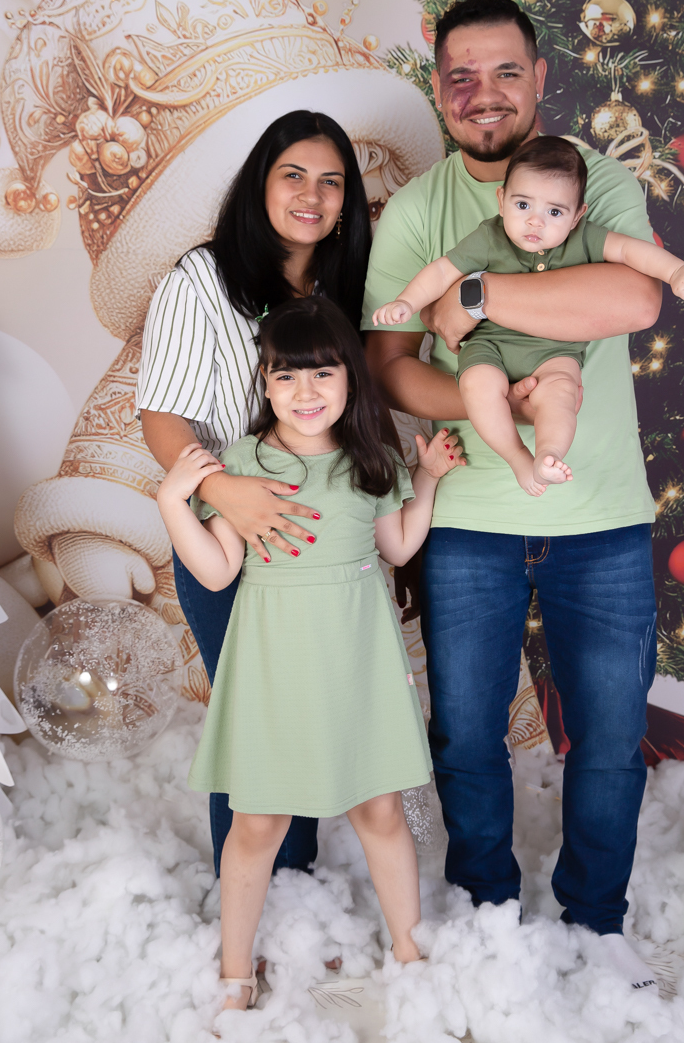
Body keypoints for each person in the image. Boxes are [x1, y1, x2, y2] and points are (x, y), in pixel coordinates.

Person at [363, 0, 662, 990]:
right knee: (464, 731)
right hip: (468, 518)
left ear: (538, 78)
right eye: (460, 76)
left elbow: (629, 297)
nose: (481, 94)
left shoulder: (595, 180)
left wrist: (479, 295)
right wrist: (487, 397)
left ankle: (596, 919)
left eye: (503, 72)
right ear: (437, 88)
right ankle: (485, 905)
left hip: (601, 514)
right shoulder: (419, 209)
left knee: (608, 735)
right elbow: (390, 361)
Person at [156, 297, 464, 1015]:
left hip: (356, 656)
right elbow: (216, 572)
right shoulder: (244, 463)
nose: (305, 392)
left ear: (350, 377)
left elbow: (397, 547)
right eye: (286, 376)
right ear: (264, 385)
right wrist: (174, 503)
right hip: (275, 660)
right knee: (258, 822)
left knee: (379, 810)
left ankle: (409, 951)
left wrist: (427, 479)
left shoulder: (370, 459)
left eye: (322, 373)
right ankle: (235, 973)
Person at [137, 110, 374, 881]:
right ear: (258, 185)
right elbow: (163, 413)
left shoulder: (346, 287)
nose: (312, 195)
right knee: (254, 725)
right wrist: (225, 491)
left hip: (319, 539)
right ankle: (251, 901)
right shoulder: (202, 279)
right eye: (292, 176)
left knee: (308, 712)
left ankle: (297, 889)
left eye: (331, 182)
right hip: (229, 534)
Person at [372, 136, 684, 496]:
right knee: (477, 386)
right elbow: (442, 271)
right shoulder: (489, 237)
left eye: (555, 212)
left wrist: (675, 272)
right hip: (491, 346)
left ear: (577, 215)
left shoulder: (583, 238)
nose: (535, 222)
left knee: (561, 395)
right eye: (522, 205)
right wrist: (406, 302)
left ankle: (548, 455)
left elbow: (630, 251)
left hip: (556, 351)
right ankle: (518, 457)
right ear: (502, 200)